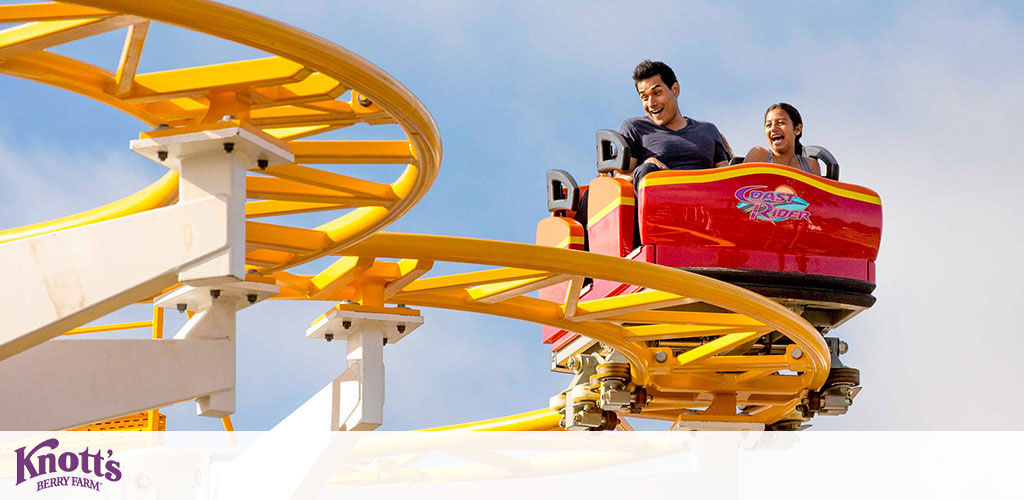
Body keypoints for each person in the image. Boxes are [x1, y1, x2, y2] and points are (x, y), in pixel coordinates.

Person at [619, 60, 732, 188]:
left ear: (675, 90)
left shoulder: (707, 130)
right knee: (647, 170)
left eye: (657, 93)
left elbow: (725, 172)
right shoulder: (635, 128)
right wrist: (646, 166)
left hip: (706, 198)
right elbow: (619, 177)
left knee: (757, 153)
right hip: (661, 198)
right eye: (645, 97)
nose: (651, 103)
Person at [743, 103, 821, 175]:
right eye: (768, 125)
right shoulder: (758, 156)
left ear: (797, 129)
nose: (773, 129)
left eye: (780, 123)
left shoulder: (811, 166)